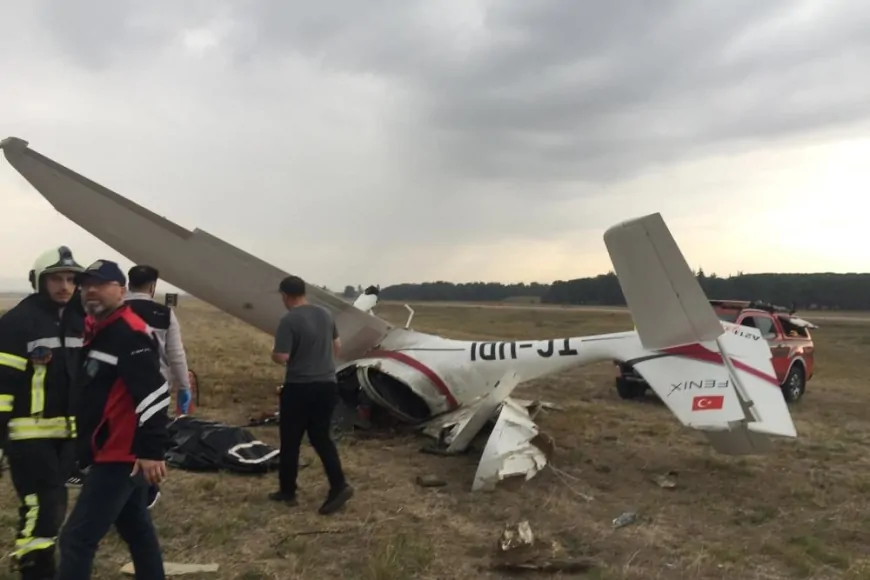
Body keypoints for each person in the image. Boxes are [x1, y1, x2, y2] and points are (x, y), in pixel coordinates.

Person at [56, 260, 170, 580]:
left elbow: (154, 392)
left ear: (121, 291)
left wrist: (151, 451)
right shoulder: (99, 329)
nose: (91, 290)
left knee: (76, 539)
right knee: (136, 529)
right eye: (86, 284)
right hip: (112, 450)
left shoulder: (129, 333)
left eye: (101, 284)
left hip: (119, 454)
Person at [0, 246, 86, 580]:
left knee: (53, 504)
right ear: (39, 281)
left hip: (69, 436)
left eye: (71, 279)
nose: (65, 286)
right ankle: (34, 568)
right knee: (44, 506)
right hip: (28, 436)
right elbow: (1, 385)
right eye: (56, 279)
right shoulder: (17, 322)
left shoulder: (83, 321)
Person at [269, 275, 353, 515]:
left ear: (285, 296)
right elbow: (337, 346)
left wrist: (274, 354)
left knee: (291, 440)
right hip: (327, 385)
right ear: (304, 292)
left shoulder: (289, 320)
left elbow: (282, 357)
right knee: (321, 437)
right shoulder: (325, 314)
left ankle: (287, 491)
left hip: (300, 387)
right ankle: (338, 485)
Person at [124, 264, 192, 510]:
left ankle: (126, 483)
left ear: (128, 283)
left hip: (121, 386)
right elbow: (176, 354)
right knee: (150, 436)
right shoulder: (164, 313)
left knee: (124, 437)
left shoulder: (116, 309)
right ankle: (148, 490)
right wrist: (184, 386)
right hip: (156, 387)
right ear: (153, 286)